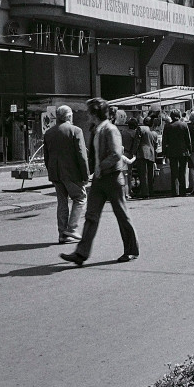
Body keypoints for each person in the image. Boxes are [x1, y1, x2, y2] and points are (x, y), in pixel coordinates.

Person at [60, 97, 139, 266]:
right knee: (91, 216)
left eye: (89, 112)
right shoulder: (96, 130)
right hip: (99, 179)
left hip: (113, 178)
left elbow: (116, 154)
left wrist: (100, 167)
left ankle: (131, 250)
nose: (87, 115)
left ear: (95, 113)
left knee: (121, 215)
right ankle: (81, 253)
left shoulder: (110, 130)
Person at [43, 105, 89, 244]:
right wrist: (85, 174)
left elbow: (46, 156)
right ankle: (72, 228)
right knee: (80, 198)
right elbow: (82, 155)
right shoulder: (76, 131)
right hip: (72, 173)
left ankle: (62, 233)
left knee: (62, 203)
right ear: (69, 116)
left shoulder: (49, 133)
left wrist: (51, 171)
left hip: (56, 174)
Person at [164, 109, 192, 197]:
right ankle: (183, 191)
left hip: (172, 152)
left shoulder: (167, 126)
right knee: (182, 171)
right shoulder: (184, 125)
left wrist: (165, 153)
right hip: (183, 151)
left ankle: (175, 191)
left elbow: (165, 141)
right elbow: (188, 139)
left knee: (174, 172)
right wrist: (189, 150)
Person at [130, 116, 158, 199]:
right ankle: (150, 191)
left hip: (142, 153)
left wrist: (133, 152)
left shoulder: (140, 128)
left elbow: (137, 141)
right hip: (151, 153)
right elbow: (155, 144)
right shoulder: (153, 132)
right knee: (150, 174)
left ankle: (145, 193)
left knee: (143, 174)